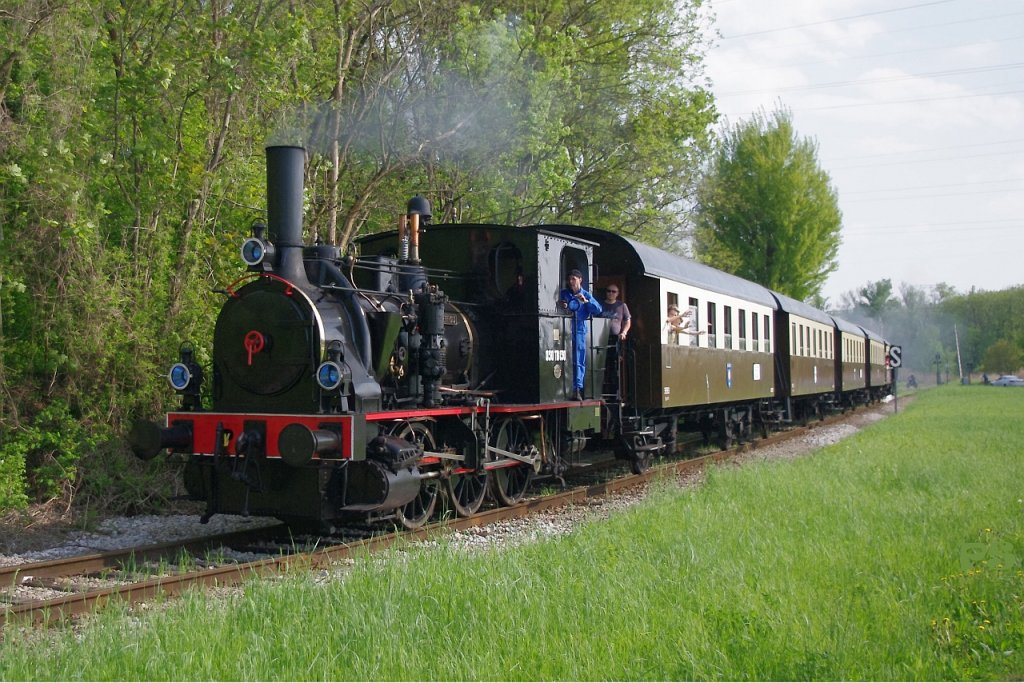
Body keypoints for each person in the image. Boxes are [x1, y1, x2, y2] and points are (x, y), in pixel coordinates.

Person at [558, 269, 602, 400]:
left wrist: (586, 301)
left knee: (578, 360)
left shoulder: (586, 294)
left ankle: (577, 389)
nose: (571, 282)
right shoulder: (564, 293)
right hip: (563, 329)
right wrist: (562, 304)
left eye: (574, 279)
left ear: (580, 280)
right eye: (569, 279)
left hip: (579, 330)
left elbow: (598, 310)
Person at [601, 284, 630, 396]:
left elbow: (628, 321)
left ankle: (615, 393)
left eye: (613, 291)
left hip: (615, 339)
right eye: (609, 291)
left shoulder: (622, 306)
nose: (611, 293)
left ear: (617, 294)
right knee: (602, 364)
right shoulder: (600, 305)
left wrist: (624, 332)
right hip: (601, 338)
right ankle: (602, 391)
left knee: (614, 365)